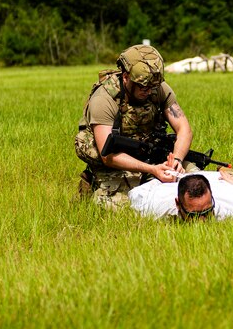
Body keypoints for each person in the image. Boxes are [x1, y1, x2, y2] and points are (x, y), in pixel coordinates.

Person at [74, 44, 194, 209]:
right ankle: (92, 181)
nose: (149, 91)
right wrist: (152, 170)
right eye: (143, 87)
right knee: (122, 207)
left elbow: (184, 129)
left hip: (149, 153)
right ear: (125, 77)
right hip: (114, 160)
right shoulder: (104, 98)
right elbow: (107, 155)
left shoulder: (157, 88)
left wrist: (177, 160)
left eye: (153, 87)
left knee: (195, 182)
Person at [129, 166, 233, 221]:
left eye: (207, 212)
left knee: (230, 175)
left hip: (220, 179)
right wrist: (161, 179)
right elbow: (135, 194)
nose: (202, 221)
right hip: (174, 180)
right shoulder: (157, 204)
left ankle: (222, 169)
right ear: (178, 204)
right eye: (193, 215)